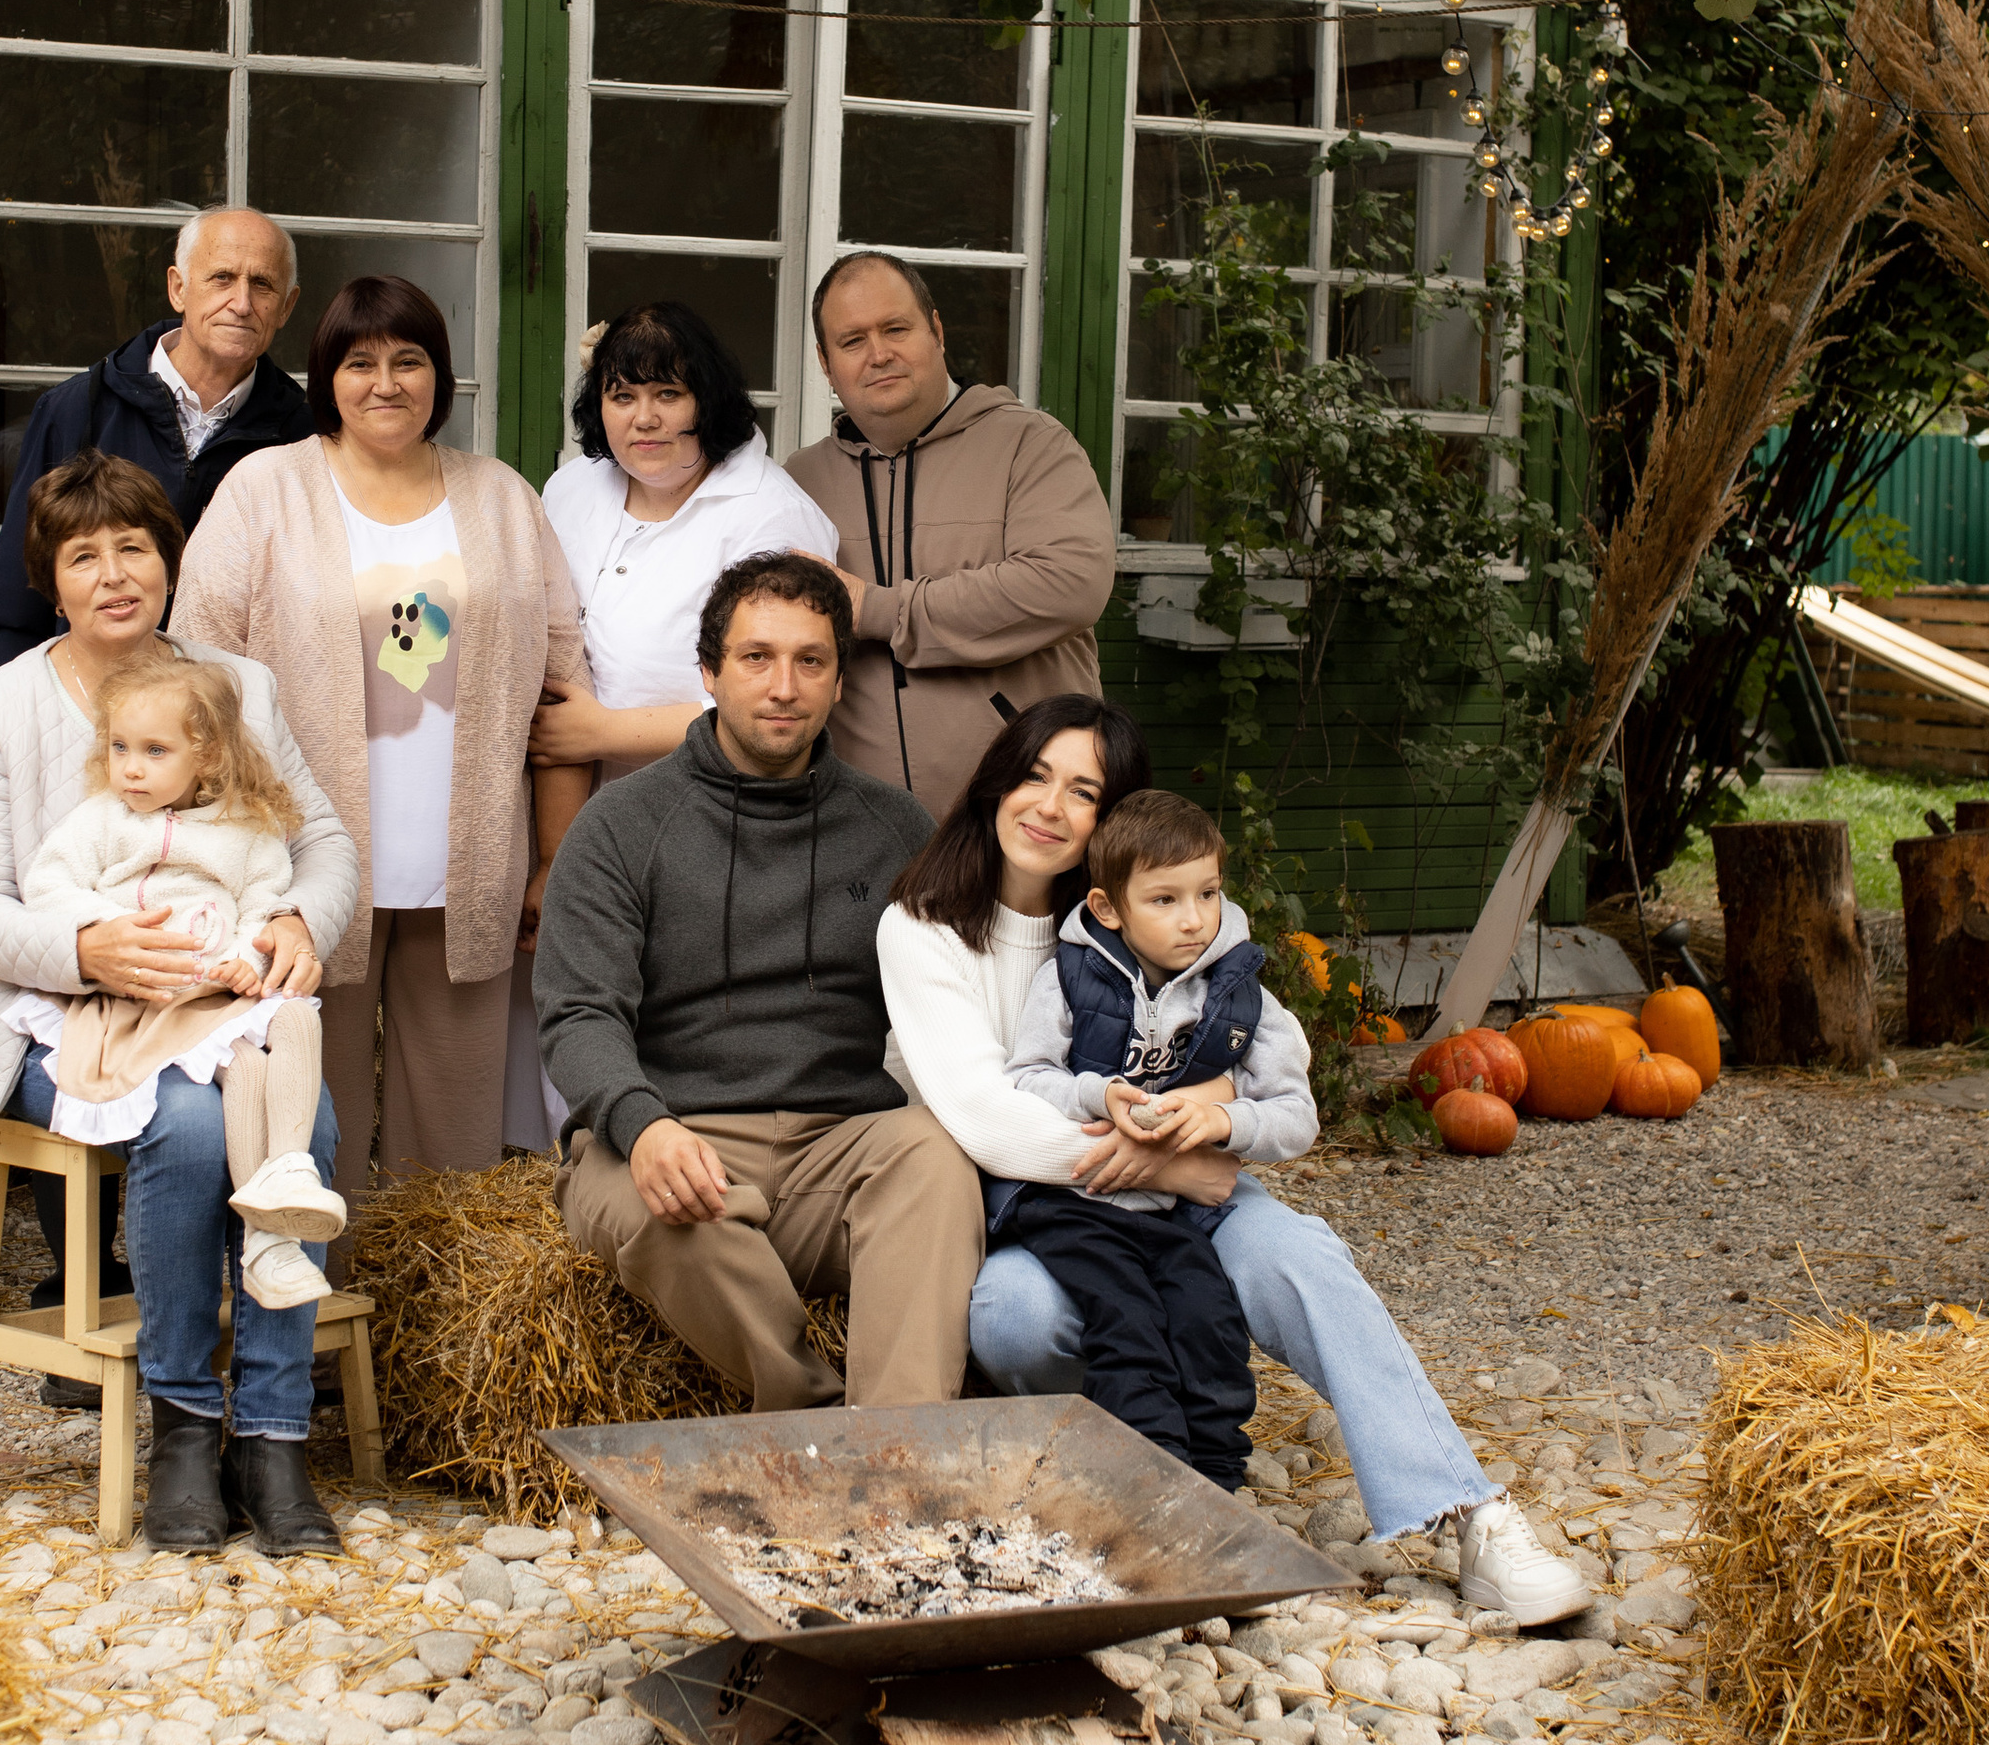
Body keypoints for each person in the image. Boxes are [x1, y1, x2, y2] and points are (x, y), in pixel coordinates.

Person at [877, 699, 1591, 1623]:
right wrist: (1167, 1166)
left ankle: (1466, 1510)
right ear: (995, 782)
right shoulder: (924, 928)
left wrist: (1216, 1112)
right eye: (1035, 776)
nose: (1050, 806)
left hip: (1194, 1179)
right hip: (1055, 1203)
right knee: (1016, 1318)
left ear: (1116, 819)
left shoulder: (1172, 909)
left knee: (1299, 1258)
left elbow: (1258, 1061)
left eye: (1084, 791)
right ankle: (1141, 1489)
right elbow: (986, 1116)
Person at [0, 453, 358, 1557]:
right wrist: (89, 950)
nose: (115, 575)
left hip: (217, 998)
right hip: (66, 1018)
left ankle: (271, 1435)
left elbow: (319, 838)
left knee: (298, 1119)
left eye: (135, 548)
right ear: (50, 580)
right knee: (189, 1123)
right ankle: (183, 1423)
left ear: (169, 561)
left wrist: (298, 923)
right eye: (85, 557)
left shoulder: (236, 689)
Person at [171, 273, 596, 1204]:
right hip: (298, 871)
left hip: (467, 865)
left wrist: (551, 859)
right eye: (359, 363)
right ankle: (315, 1291)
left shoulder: (500, 498)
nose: (386, 383)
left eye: (409, 361)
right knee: (305, 1119)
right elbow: (196, 679)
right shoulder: (265, 490)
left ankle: (430, 1295)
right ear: (326, 378)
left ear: (440, 375)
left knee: (454, 1126)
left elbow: (563, 684)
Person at [535, 549, 983, 1411]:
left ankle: (897, 1446)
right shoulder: (621, 827)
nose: (784, 686)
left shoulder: (895, 828)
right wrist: (643, 1126)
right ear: (709, 673)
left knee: (933, 1159)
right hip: (670, 1132)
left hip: (838, 1146)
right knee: (661, 1205)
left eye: (811, 661)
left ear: (839, 682)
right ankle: (811, 1420)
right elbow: (578, 1013)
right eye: (757, 658)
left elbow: (963, 995)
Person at [11, 637, 349, 1311]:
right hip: (148, 997)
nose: (131, 768)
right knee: (241, 1072)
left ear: (210, 756)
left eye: (155, 751)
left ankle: (284, 1184)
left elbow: (264, 901)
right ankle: (266, 1239)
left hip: (220, 991)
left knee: (291, 1019)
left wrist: (250, 958)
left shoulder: (245, 828)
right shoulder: (102, 821)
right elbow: (48, 887)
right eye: (119, 747)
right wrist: (108, 927)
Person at [989, 786, 1308, 1486]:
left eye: (1208, 893)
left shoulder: (1240, 994)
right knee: (1127, 1323)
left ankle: (1216, 1481)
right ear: (1109, 908)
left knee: (1207, 1322)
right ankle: (1154, 1480)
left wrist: (1226, 1121)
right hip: (1076, 1203)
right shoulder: (1068, 978)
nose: (1194, 919)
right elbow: (1027, 1080)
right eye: (1164, 900)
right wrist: (1096, 1092)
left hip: (1173, 1211)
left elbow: (1296, 1115)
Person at [786, 248, 1118, 820]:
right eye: (852, 341)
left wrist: (875, 609)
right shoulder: (800, 482)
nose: (879, 354)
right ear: (825, 362)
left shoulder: (1030, 445)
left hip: (1021, 815)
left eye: (896, 329)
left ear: (936, 331)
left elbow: (1071, 583)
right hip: (857, 826)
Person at [0, 208, 308, 670]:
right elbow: (19, 600)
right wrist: (14, 703)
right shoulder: (77, 411)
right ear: (178, 288)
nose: (241, 303)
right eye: (221, 278)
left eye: (262, 284)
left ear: (287, 306)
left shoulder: (303, 436)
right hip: (90, 692)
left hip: (229, 697)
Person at [531, 301, 839, 779]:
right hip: (563, 795)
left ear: (708, 400)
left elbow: (785, 698)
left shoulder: (774, 517)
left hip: (703, 798)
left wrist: (602, 733)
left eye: (668, 394)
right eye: (623, 396)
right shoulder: (570, 487)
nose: (645, 418)